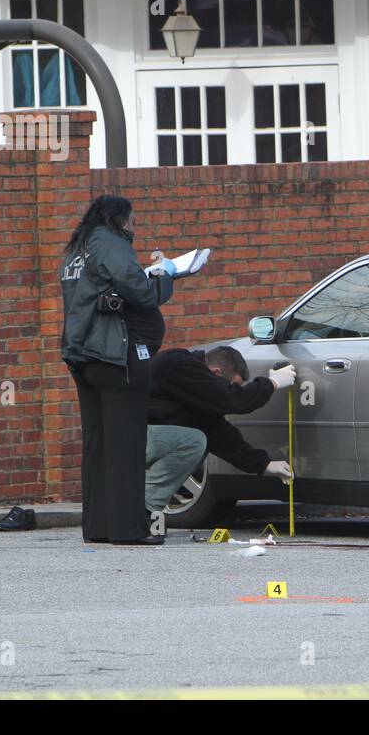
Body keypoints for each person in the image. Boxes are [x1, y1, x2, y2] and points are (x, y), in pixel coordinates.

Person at [60, 195, 175, 546]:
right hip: (116, 355)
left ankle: (98, 528)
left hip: (83, 356)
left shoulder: (76, 250)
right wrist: (165, 275)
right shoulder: (110, 244)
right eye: (134, 222)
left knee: (97, 445)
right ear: (120, 219)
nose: (135, 229)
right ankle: (127, 529)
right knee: (126, 444)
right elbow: (139, 291)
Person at [145, 345, 296, 516]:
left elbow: (219, 433)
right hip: (124, 438)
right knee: (193, 442)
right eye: (231, 385)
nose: (230, 390)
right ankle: (142, 509)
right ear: (216, 373)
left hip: (134, 439)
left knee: (198, 441)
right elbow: (233, 400)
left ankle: (138, 509)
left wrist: (263, 464)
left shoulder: (192, 390)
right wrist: (272, 383)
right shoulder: (180, 364)